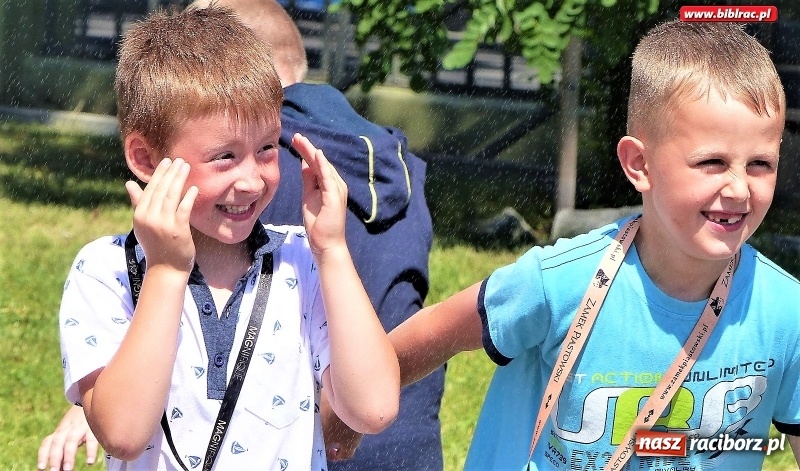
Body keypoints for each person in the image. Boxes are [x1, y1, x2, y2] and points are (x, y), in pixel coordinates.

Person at [38, 1, 442, 471]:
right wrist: (167, 271)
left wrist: (332, 251)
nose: (252, 180)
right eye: (224, 157)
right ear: (147, 160)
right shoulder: (106, 270)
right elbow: (124, 434)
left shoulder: (302, 263)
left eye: (268, 148)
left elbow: (373, 408)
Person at [389, 20, 800, 470]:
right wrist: (336, 429)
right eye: (712, 162)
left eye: (761, 163)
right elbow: (423, 340)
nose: (740, 189)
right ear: (639, 164)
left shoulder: (786, 311)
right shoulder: (558, 283)